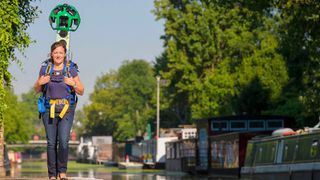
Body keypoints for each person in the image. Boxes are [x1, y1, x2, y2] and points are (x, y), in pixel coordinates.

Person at [34, 40, 84, 180]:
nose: (58, 55)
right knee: (51, 143)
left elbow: (81, 90)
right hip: (49, 109)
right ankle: (52, 175)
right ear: (51, 54)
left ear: (64, 54)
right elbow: (37, 89)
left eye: (60, 52)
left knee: (63, 141)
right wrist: (40, 82)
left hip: (67, 109)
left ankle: (62, 172)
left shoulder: (71, 69)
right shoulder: (45, 69)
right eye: (55, 52)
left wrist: (73, 83)